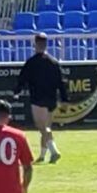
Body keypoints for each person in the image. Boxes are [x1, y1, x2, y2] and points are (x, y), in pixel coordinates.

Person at [12, 33, 69, 164]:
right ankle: (43, 155)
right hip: (51, 99)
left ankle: (54, 151)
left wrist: (16, 92)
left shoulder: (31, 62)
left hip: (38, 99)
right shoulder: (54, 62)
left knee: (42, 127)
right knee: (47, 127)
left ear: (35, 44)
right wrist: (64, 99)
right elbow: (61, 82)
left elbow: (22, 79)